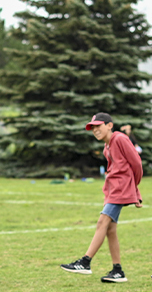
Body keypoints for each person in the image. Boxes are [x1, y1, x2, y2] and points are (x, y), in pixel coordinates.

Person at [60, 113, 143, 282]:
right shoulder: (107, 147)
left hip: (121, 190)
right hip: (113, 190)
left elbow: (137, 164)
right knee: (110, 229)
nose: (95, 130)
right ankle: (117, 271)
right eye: (93, 128)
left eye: (98, 126)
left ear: (109, 125)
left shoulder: (120, 139)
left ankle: (85, 262)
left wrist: (135, 190)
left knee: (102, 222)